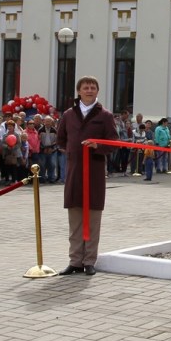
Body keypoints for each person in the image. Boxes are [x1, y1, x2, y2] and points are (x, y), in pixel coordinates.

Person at [56, 76, 118, 276]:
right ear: (79, 91)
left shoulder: (105, 115)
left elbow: (113, 142)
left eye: (93, 87)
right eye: (86, 87)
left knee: (92, 218)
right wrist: (73, 152)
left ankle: (90, 260)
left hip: (95, 171)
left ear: (97, 91)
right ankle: (75, 261)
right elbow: (61, 139)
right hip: (74, 172)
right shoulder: (68, 114)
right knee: (75, 219)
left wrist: (97, 146)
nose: (89, 90)